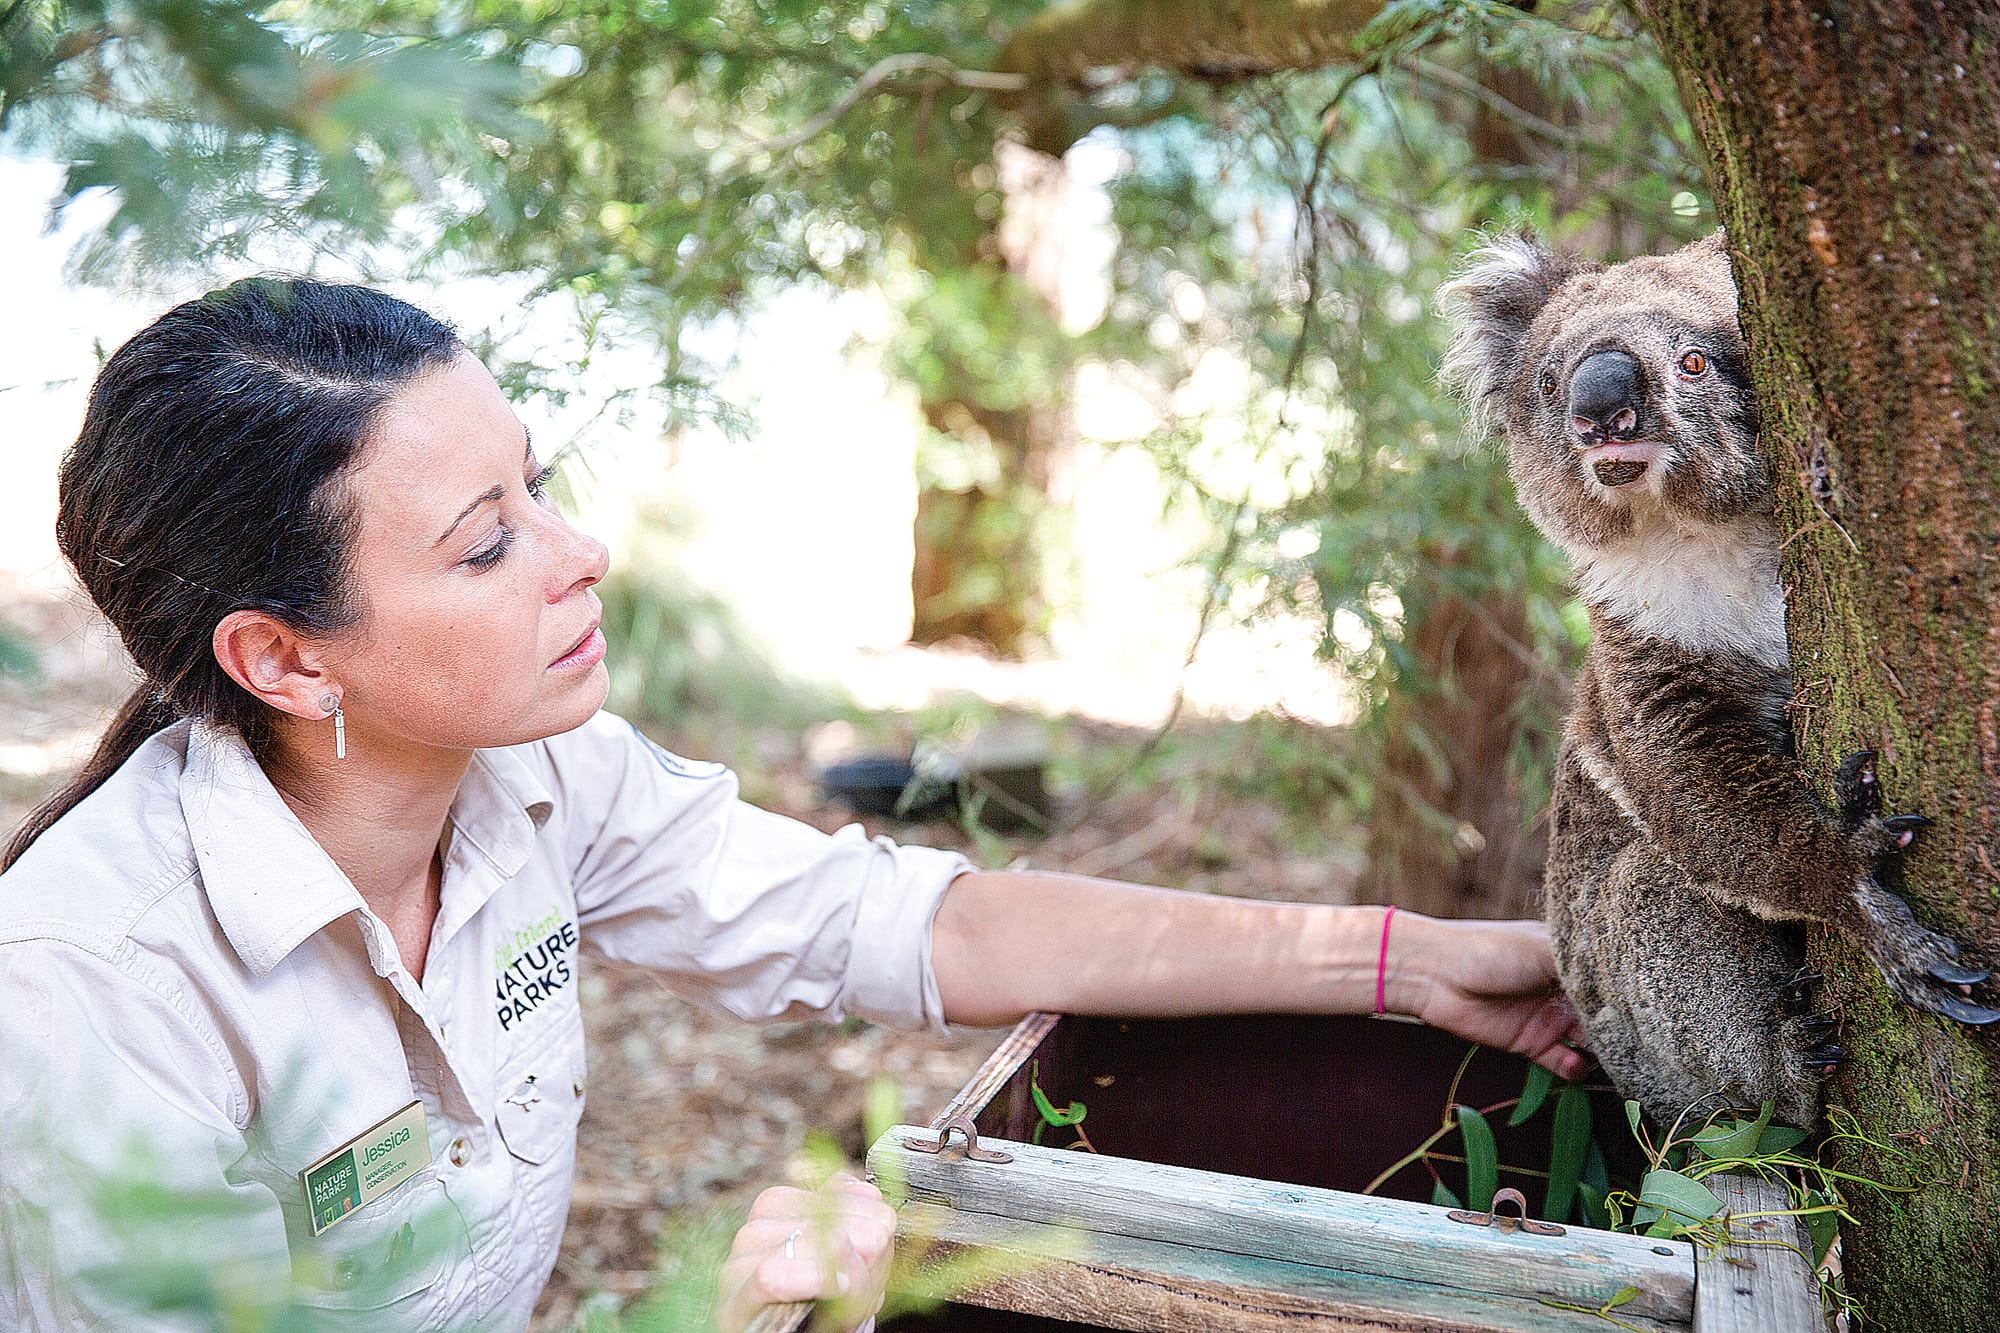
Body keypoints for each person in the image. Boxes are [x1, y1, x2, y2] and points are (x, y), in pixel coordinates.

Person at [0, 279, 1587, 1332]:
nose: (578, 553)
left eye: (537, 484)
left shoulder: (536, 780)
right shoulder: (91, 992)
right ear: (279, 657)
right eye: (485, 543)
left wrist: (1394, 959)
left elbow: (895, 919)